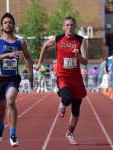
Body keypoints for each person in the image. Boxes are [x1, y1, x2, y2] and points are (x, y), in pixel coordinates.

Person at [35, 16, 88, 145]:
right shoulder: (58, 38)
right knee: (67, 98)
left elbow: (85, 61)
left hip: (76, 79)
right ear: (64, 27)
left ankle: (70, 133)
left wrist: (78, 55)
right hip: (62, 76)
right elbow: (45, 45)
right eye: (67, 25)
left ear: (75, 27)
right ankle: (63, 104)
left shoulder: (81, 40)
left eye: (72, 25)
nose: (69, 27)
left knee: (76, 109)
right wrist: (39, 62)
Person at [0, 13, 33, 146]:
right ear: (1, 26)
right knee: (0, 109)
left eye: (10, 22)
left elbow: (28, 58)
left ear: (14, 25)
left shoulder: (20, 42)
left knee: (10, 101)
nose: (8, 24)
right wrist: (7, 55)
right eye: (5, 22)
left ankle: (12, 133)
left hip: (13, 78)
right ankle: (0, 126)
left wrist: (30, 74)